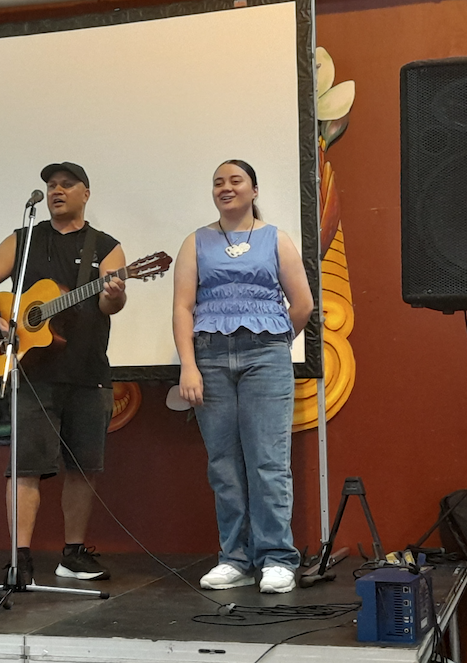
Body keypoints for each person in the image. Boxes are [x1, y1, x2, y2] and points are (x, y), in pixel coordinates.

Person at [0, 162, 127, 586]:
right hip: (31, 373)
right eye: (50, 185)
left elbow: (108, 306)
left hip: (87, 371)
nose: (56, 191)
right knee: (25, 467)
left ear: (86, 193)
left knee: (83, 468)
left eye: (66, 184)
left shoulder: (107, 246)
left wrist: (114, 294)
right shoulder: (23, 240)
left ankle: (73, 555)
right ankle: (18, 559)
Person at [171, 160, 313, 595]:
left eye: (235, 181)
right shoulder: (195, 242)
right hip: (210, 360)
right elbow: (182, 308)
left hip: (265, 357)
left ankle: (276, 559)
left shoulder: (276, 239)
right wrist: (188, 365)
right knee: (224, 464)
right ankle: (234, 558)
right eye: (218, 182)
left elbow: (303, 303)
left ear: (254, 190)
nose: (226, 188)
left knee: (268, 460)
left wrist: (272, 339)